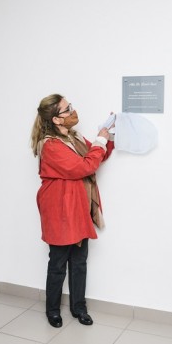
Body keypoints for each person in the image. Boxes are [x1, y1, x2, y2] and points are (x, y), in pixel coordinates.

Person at [30, 94, 113, 328]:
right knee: (58, 263)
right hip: (59, 210)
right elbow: (84, 166)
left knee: (79, 261)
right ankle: (53, 311)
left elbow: (98, 155)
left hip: (77, 207)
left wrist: (106, 136)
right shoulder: (51, 145)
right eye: (67, 109)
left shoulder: (72, 137)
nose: (72, 112)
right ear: (56, 119)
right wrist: (99, 141)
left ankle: (79, 308)